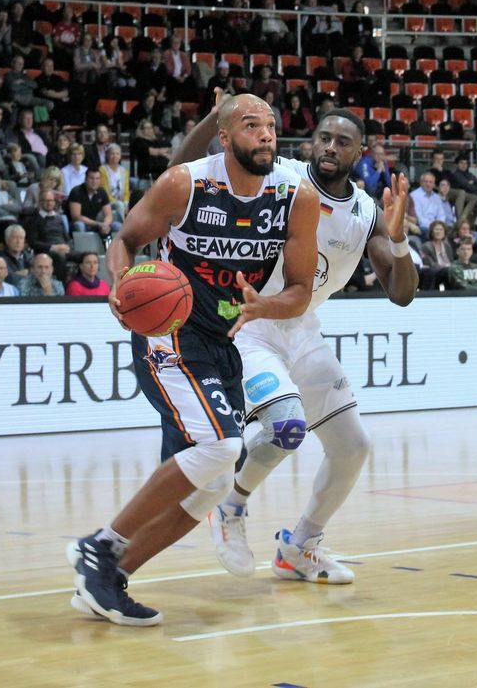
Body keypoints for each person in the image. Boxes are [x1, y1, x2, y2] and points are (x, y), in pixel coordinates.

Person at [67, 93, 321, 627]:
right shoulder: (185, 184)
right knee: (222, 445)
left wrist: (266, 306)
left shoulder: (294, 196)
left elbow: (300, 289)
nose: (266, 134)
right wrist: (121, 281)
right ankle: (100, 545)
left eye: (271, 126)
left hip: (225, 343)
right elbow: (126, 239)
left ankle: (108, 577)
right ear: (224, 137)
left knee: (212, 484)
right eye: (251, 125)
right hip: (169, 333)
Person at [68, 168, 120, 236]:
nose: (94, 181)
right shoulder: (76, 191)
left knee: (117, 226)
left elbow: (108, 214)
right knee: (79, 225)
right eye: (91, 178)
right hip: (79, 224)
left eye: (97, 179)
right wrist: (98, 224)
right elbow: (76, 217)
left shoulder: (102, 192)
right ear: (85, 179)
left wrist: (105, 224)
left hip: (96, 224)